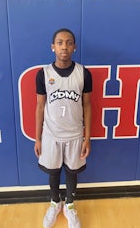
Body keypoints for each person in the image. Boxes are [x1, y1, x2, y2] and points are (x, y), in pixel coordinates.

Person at [34, 28, 92, 228]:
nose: (64, 47)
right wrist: (38, 138)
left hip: (75, 134)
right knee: (53, 171)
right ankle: (54, 203)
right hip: (51, 134)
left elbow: (87, 105)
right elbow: (40, 106)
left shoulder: (84, 73)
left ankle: (70, 206)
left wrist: (87, 138)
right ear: (53, 47)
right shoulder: (43, 74)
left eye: (68, 43)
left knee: (72, 172)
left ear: (74, 47)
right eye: (59, 43)